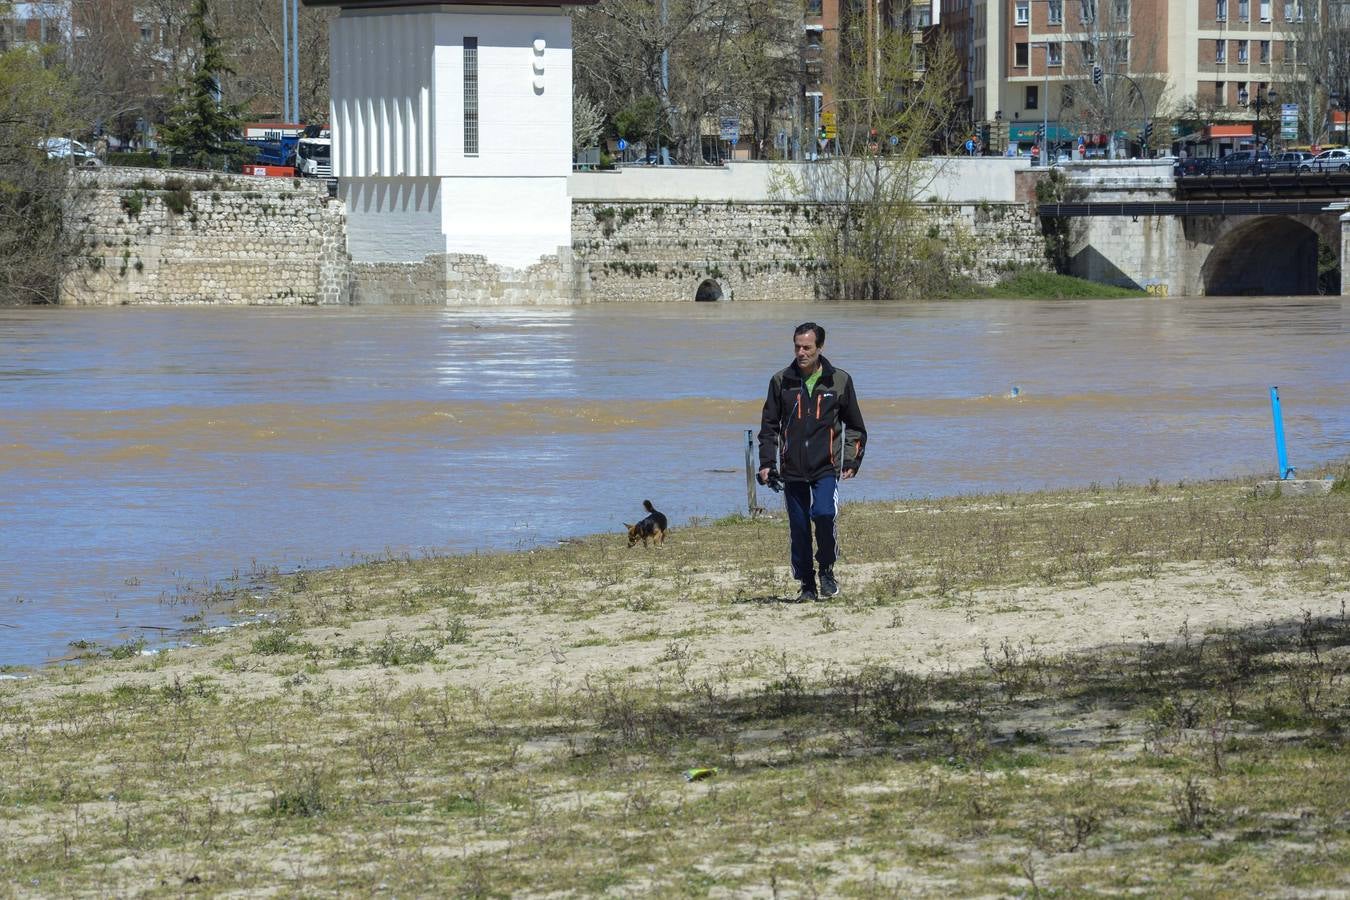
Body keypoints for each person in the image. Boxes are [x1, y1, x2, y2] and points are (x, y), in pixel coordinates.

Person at [758, 322, 867, 602]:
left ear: (820, 347)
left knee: (823, 514)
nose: (801, 352)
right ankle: (807, 584)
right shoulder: (781, 381)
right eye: (797, 346)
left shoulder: (839, 380)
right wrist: (767, 463)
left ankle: (827, 569)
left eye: (807, 347)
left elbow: (855, 426)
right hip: (791, 468)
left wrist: (852, 459)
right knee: (799, 528)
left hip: (825, 467)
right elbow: (769, 427)